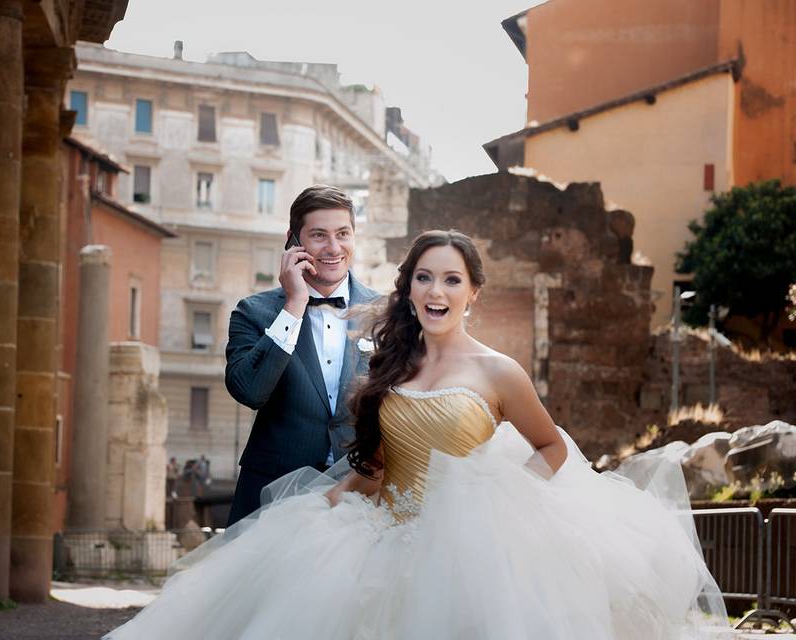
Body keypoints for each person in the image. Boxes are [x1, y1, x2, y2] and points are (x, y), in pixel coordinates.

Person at [104, 230, 729, 640]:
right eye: (425, 277)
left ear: (473, 292)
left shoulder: (497, 370)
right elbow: (376, 462)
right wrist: (321, 505)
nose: (437, 290)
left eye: (452, 279)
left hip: (467, 551)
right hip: (380, 535)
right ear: (408, 290)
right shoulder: (391, 366)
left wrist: (511, 503)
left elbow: (552, 447)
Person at [223, 185, 378, 524]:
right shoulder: (253, 312)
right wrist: (294, 306)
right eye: (319, 235)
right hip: (272, 495)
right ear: (294, 241)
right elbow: (249, 391)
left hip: (358, 495)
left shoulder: (385, 314)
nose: (334, 248)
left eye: (343, 234)